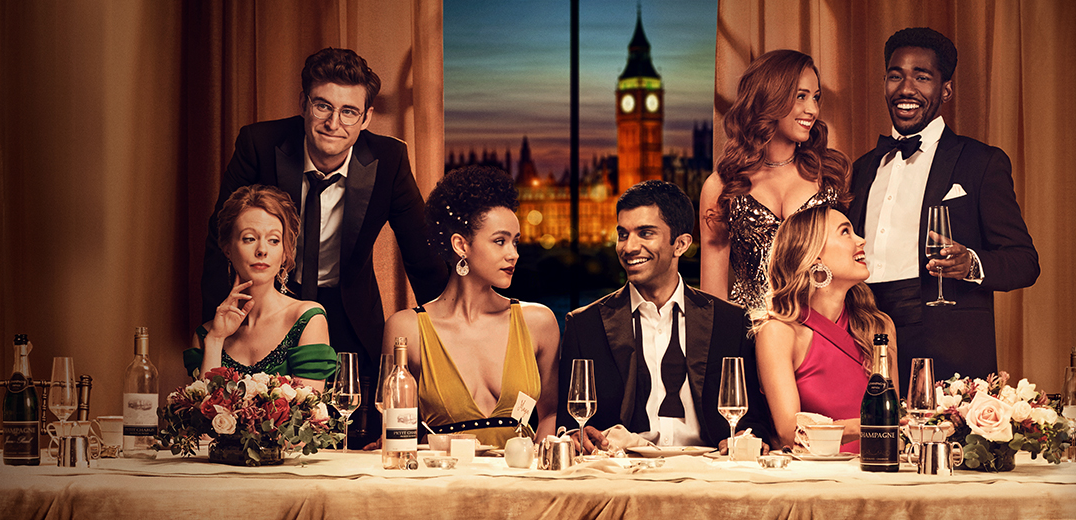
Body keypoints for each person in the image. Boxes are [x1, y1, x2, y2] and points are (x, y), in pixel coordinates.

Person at [199, 48, 447, 442]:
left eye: (349, 111)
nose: (334, 123)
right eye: (322, 107)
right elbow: (221, 239)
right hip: (268, 313)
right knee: (256, 436)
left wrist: (453, 339)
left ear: (366, 118)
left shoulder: (389, 159)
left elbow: (423, 257)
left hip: (349, 317)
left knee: (345, 441)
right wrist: (219, 329)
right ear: (304, 105)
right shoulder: (259, 144)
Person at [847, 28, 1039, 380]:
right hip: (863, 336)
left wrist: (971, 264)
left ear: (945, 89)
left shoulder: (980, 162)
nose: (906, 89)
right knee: (870, 434)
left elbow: (1025, 262)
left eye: (922, 77)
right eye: (895, 76)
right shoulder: (860, 169)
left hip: (945, 343)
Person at [560, 180, 772, 453]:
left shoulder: (731, 323)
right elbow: (569, 425)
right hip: (622, 472)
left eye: (645, 233)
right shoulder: (584, 326)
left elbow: (757, 421)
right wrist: (577, 435)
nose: (628, 247)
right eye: (623, 234)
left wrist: (746, 437)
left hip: (710, 470)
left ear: (681, 244)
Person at [378, 166, 560, 447]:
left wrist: (540, 472)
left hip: (521, 485)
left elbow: (551, 413)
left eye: (516, 242)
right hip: (441, 484)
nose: (513, 254)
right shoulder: (406, 328)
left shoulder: (539, 322)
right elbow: (399, 431)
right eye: (500, 241)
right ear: (461, 245)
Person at [701, 49, 851, 311]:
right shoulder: (722, 186)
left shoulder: (828, 178)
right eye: (800, 97)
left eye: (815, 98)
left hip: (820, 337)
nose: (812, 109)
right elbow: (712, 297)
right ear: (769, 97)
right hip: (748, 338)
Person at [754, 205, 897, 451]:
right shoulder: (780, 332)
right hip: (815, 479)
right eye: (845, 232)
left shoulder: (878, 326)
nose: (861, 240)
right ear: (815, 256)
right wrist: (868, 425)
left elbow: (895, 422)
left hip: (878, 473)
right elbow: (789, 432)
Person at [186, 185, 337, 391]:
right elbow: (204, 417)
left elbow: (310, 416)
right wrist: (216, 339)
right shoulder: (206, 335)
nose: (262, 250)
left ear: (285, 252)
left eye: (274, 240)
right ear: (227, 248)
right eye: (249, 239)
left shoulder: (307, 319)